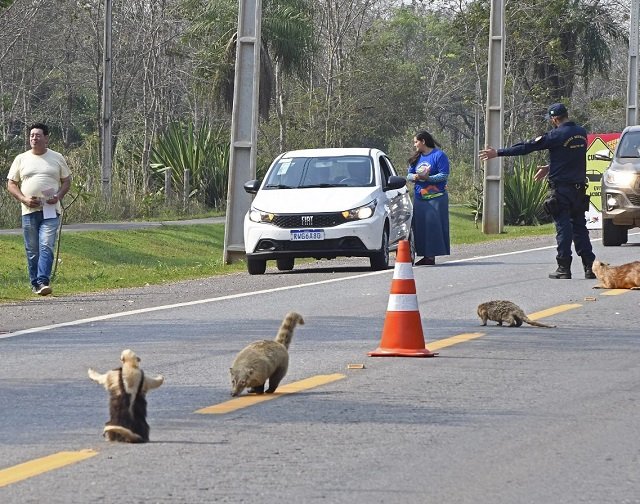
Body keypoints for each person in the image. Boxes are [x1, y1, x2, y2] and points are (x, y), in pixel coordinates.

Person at [479, 103, 596, 279]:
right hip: (578, 190)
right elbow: (570, 158)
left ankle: (564, 267)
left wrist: (498, 153)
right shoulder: (581, 132)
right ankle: (590, 267)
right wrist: (550, 167)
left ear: (554, 119)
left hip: (562, 190)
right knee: (580, 228)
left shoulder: (556, 135)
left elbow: (527, 147)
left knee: (563, 228)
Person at [6, 123, 71, 295]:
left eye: (38, 135)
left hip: (50, 210)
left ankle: (43, 281)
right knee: (33, 250)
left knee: (46, 245)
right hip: (29, 211)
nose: (34, 138)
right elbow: (11, 184)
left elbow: (66, 181)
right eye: (32, 135)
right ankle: (35, 283)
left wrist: (59, 196)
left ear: (46, 138)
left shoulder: (57, 157)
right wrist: (24, 199)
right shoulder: (21, 158)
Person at [406, 130, 450, 265]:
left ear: (423, 141)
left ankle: (431, 256)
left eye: (416, 142)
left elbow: (444, 174)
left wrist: (428, 178)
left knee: (433, 226)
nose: (415, 145)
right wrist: (415, 177)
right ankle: (425, 255)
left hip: (436, 198)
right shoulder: (416, 158)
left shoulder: (439, 155)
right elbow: (409, 175)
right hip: (420, 198)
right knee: (420, 227)